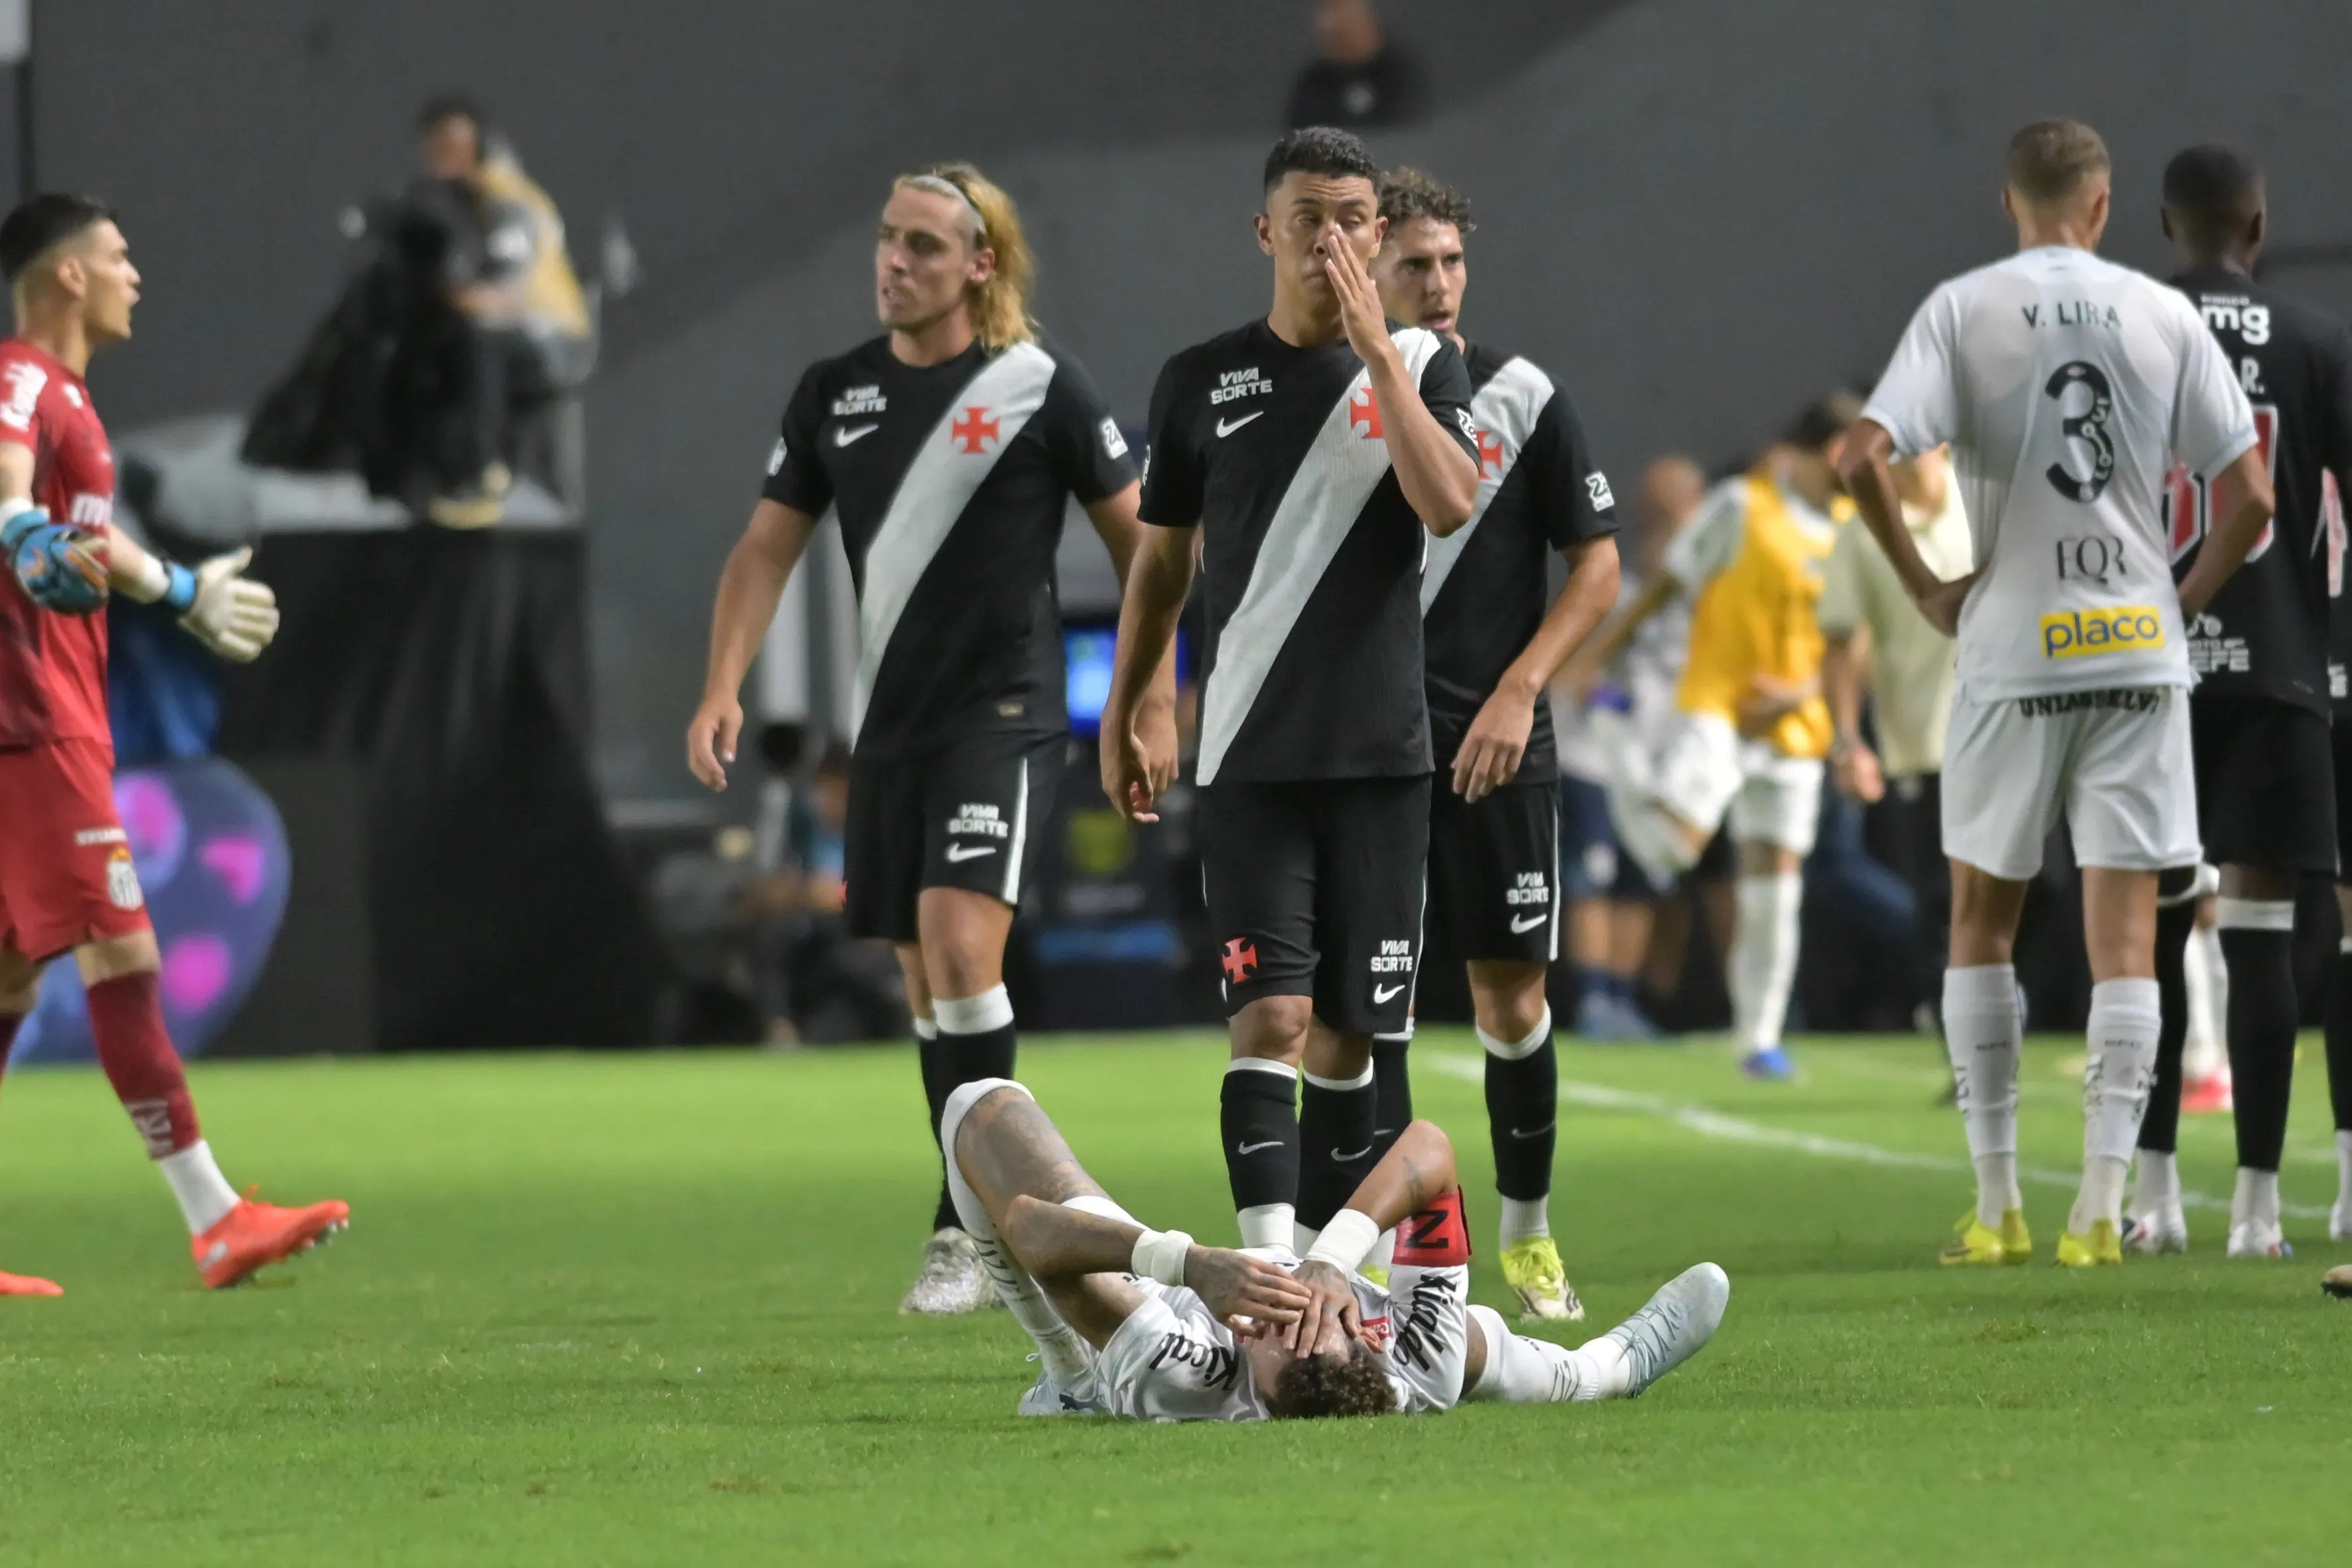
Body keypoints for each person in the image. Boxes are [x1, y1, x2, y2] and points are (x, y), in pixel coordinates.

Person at [688, 163, 1167, 1314]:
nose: (893, 263)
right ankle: (980, 1221)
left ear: (980, 265)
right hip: (888, 731)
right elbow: (764, 549)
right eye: (887, 240)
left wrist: (1147, 693)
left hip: (1001, 718)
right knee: (926, 988)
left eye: (923, 246)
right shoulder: (832, 393)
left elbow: (1145, 542)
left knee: (960, 952)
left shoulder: (1037, 386)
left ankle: (975, 1231)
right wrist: (720, 683)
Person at [1838, 121, 2274, 1268]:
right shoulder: (2160, 310)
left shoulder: (1961, 306)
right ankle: (2096, 1207)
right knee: (2128, 937)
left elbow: (1858, 456)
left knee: (1980, 922)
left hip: (2010, 650)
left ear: (2010, 205)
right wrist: (2175, 599)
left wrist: (1926, 582)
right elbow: (2251, 497)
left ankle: (1996, 1207)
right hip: (2134, 646)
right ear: (2098, 206)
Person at [1099, 127, 1480, 1258]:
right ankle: (1267, 1273)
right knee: (1269, 1017)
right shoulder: (1198, 381)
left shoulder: (1423, 365)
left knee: (1353, 1040)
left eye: (1354, 218)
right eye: (1308, 217)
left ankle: (1333, 1278)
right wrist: (1142, 702)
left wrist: (1377, 352)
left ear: (1378, 230)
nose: (1333, 239)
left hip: (1380, 757)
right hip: (1250, 758)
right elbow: (1159, 561)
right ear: (1266, 232)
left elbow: (1450, 501)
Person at [0, 194, 348, 1296]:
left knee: (9, 979)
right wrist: (22, 534)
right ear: (65, 276)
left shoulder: (72, 403)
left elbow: (92, 543)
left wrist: (182, 589)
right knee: (121, 951)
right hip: (31, 720)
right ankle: (214, 1216)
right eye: (117, 255)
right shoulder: (19, 377)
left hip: (41, 713)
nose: (134, 274)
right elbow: (7, 500)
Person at [1364, 168, 1620, 1320]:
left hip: (1498, 745)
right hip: (1367, 750)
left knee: (1510, 1000)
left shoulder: (1522, 395)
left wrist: (1520, 687)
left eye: (1450, 262)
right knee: (1371, 1006)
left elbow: (1599, 565)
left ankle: (1525, 1235)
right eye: (1413, 264)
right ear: (1367, 269)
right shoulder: (1341, 398)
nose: (1437, 284)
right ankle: (1408, 1250)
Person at [939, 1073, 1729, 1419]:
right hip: (1409, 1358)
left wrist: (1184, 1262)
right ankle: (1609, 1367)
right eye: (1318, 1317)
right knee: (1472, 1349)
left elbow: (1034, 1231)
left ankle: (1070, 1375)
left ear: (1253, 1377)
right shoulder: (1408, 1361)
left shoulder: (1190, 1375)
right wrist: (1333, 1261)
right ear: (1361, 1333)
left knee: (975, 1106)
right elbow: (1431, 1148)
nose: (1284, 1306)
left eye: (1272, 1333)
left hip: (1162, 1289)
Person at [2126, 145, 2352, 1257]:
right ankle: (2257, 1213)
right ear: (2255, 225)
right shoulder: (2316, 342)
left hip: (2145, 666)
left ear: (2165, 225)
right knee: (2261, 941)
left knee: (2156, 942)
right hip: (2279, 665)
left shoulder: (2125, 325)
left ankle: (2154, 1196)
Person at [1566, 399, 1859, 1082]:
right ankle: (1614, 737)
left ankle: (1758, 1037)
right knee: (1670, 847)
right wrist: (1605, 657)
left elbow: (1853, 637)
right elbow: (1668, 585)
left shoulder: (1852, 526)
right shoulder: (1741, 507)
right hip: (1719, 710)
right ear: (1828, 447)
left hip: (1793, 727)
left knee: (1775, 889)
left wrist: (1814, 702)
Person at [1819, 445, 1971, 1042]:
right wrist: (1848, 741)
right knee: (1938, 903)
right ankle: (1965, 1044)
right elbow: (1841, 641)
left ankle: (1996, 996)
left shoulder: (1987, 497)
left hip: (2011, 732)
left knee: (2046, 881)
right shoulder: (1863, 531)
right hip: (1921, 747)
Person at [1559, 456, 1703, 1041]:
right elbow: (1573, 676)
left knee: (1641, 885)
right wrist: (1612, 705)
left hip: (1652, 769)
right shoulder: (1618, 600)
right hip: (1593, 760)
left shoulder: (1702, 617)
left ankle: (1621, 998)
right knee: (1592, 879)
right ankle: (1593, 998)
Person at [410, 96, 591, 526]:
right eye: (435, 146)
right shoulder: (461, 206)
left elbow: (502, 299)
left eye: (454, 145)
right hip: (522, 335)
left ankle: (484, 475)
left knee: (478, 339)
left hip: (554, 340)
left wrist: (439, 296)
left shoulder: (505, 201)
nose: (441, 157)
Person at [1283, 0, 1429, 132]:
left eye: (1343, 36)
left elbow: (1414, 127)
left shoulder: (1400, 73)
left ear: (1369, 23)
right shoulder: (1313, 84)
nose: (1337, 45)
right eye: (1332, 39)